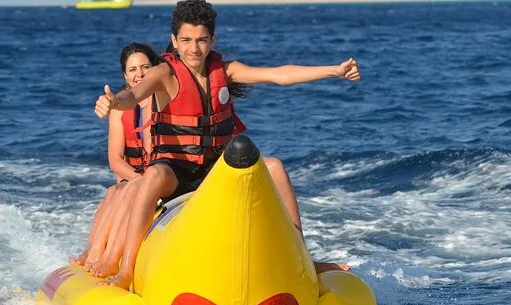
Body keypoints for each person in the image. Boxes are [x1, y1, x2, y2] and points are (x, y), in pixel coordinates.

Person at [94, 0, 359, 289]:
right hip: (175, 171)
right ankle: (128, 269)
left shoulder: (225, 70)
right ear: (174, 41)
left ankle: (303, 259)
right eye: (186, 40)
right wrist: (114, 102)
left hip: (214, 169)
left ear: (212, 40)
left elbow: (278, 75)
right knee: (154, 174)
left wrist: (334, 71)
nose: (194, 49)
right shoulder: (163, 73)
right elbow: (134, 95)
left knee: (274, 167)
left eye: (201, 40)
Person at [71, 42, 161, 269]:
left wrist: (146, 183)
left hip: (159, 177)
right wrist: (140, 179)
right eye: (133, 69)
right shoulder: (120, 107)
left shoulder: (164, 98)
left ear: (155, 69)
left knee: (129, 191)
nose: (140, 74)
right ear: (125, 75)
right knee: (113, 191)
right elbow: (115, 161)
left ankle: (106, 258)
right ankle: (91, 252)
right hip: (135, 177)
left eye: (145, 67)